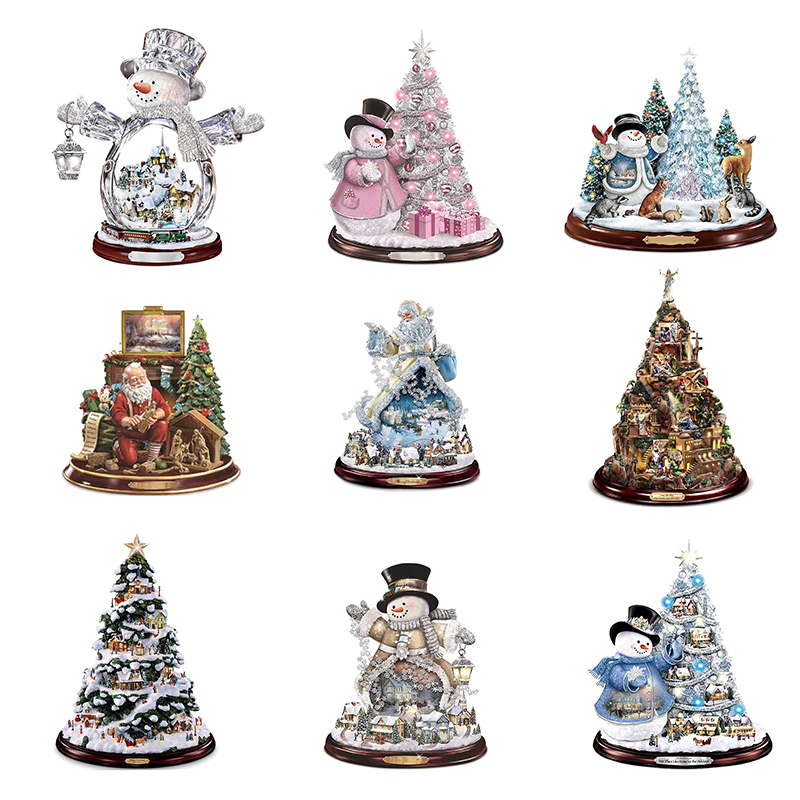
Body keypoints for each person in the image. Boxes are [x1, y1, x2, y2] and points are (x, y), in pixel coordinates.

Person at [111, 363, 170, 467]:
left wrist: (156, 415)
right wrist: (128, 420)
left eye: (142, 378)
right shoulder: (122, 396)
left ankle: (152, 456)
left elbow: (164, 407)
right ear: (126, 381)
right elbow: (116, 414)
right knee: (130, 462)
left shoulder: (153, 392)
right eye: (134, 380)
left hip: (148, 431)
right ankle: (118, 448)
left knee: (162, 424)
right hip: (129, 433)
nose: (139, 382)